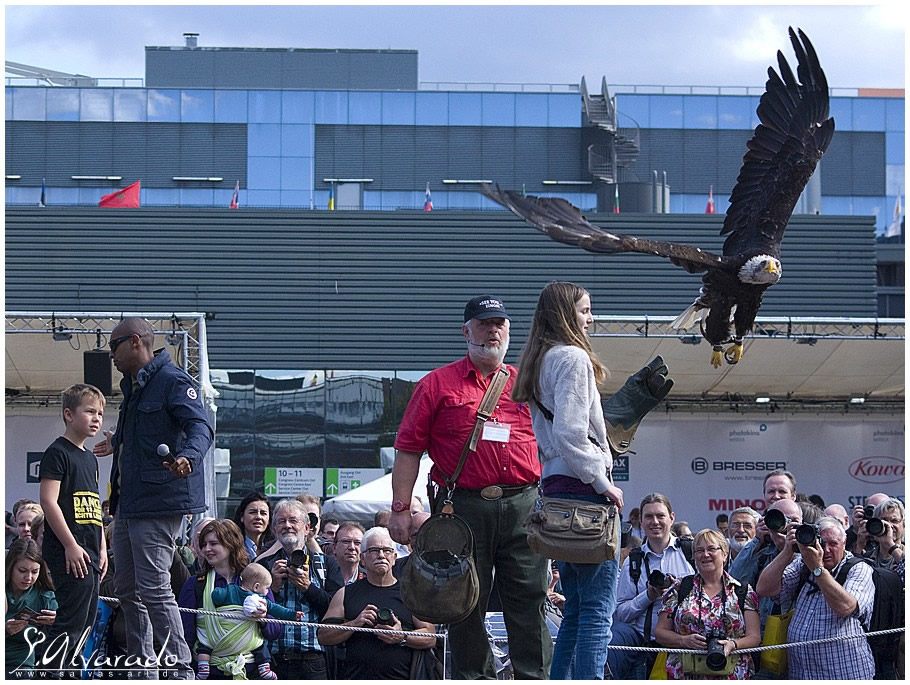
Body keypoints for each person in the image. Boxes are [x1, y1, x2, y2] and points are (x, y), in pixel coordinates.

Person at [389, 294, 551, 679]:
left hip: (523, 505)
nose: (492, 331)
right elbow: (408, 449)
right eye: (483, 323)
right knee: (461, 602)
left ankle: (535, 679)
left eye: (499, 324)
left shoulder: (528, 384)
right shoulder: (435, 384)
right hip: (459, 507)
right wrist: (400, 509)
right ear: (466, 331)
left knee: (530, 599)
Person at [92, 316, 214, 679]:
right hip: (129, 502)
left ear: (134, 342)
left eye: (113, 346)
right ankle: (143, 665)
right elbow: (148, 434)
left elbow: (200, 426)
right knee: (126, 587)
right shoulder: (136, 385)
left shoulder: (172, 380)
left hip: (159, 500)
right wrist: (119, 439)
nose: (109, 355)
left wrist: (188, 458)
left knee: (154, 585)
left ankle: (178, 666)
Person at [37, 383, 108, 673]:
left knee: (85, 623)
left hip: (91, 550)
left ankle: (67, 673)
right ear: (69, 414)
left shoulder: (90, 458)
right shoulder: (58, 452)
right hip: (69, 550)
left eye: (101, 414)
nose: (97, 419)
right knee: (70, 621)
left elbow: (95, 507)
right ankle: (48, 673)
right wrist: (69, 544)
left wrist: (102, 547)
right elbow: (48, 501)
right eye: (89, 411)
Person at [756, 516, 875, 679]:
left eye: (833, 544)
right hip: (801, 674)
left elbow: (846, 607)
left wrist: (817, 569)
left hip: (844, 674)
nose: (825, 550)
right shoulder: (803, 563)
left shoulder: (859, 569)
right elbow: (764, 589)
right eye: (821, 543)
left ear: (844, 542)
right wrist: (788, 551)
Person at [318, 526, 437, 679]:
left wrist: (401, 637)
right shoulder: (345, 593)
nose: (381, 555)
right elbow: (323, 635)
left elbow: (431, 637)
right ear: (362, 559)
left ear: (394, 558)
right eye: (374, 550)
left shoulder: (410, 594)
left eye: (387, 550)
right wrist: (355, 624)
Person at [177, 519, 283, 679]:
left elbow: (275, 631)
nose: (207, 549)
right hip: (209, 674)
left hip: (251, 672)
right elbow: (186, 635)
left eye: (213, 543)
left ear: (231, 544)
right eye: (204, 544)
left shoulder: (257, 579)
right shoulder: (195, 585)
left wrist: (263, 619)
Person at [654, 529, 761, 679]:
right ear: (694, 556)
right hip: (685, 675)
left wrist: (732, 645)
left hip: (733, 674)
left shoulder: (743, 591)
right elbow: (660, 632)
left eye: (711, 549)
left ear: (725, 554)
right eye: (699, 550)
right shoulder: (679, 588)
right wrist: (684, 641)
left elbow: (754, 637)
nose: (705, 554)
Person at [611, 493, 694, 680]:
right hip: (645, 646)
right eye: (648, 517)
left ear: (672, 518)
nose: (654, 522)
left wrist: (680, 591)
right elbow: (620, 614)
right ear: (640, 521)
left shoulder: (691, 553)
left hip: (687, 644)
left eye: (660, 516)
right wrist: (648, 595)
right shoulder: (634, 562)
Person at [258, 498, 344, 679]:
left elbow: (337, 612)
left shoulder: (326, 564)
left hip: (313, 661)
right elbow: (251, 610)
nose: (287, 525)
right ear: (274, 530)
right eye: (281, 521)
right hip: (273, 661)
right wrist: (272, 588)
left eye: (293, 520)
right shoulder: (264, 565)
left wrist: (308, 588)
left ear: (306, 528)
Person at [204, 562, 305, 680]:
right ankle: (264, 668)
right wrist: (293, 615)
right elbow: (277, 610)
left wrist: (219, 592)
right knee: (259, 645)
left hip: (225, 640)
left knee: (204, 645)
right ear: (256, 587)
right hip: (237, 639)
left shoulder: (230, 589)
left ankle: (203, 667)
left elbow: (216, 597)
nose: (268, 592)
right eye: (267, 588)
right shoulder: (260, 600)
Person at [729, 497, 803, 627]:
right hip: (763, 629)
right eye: (780, 519)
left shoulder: (808, 550)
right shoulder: (762, 550)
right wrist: (757, 541)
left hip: (797, 631)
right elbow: (735, 579)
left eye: (794, 521)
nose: (786, 525)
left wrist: (788, 550)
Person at [5, 540, 57, 677]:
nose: (28, 578)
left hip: (22, 664)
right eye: (22, 571)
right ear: (10, 567)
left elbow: (68, 626)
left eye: (35, 572)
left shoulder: (44, 596)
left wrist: (57, 620)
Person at [232, 492, 273, 562]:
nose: (258, 517)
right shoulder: (232, 546)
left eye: (263, 513)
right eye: (253, 512)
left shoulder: (274, 547)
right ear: (242, 517)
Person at [866, 497, 904, 571]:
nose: (889, 525)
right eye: (884, 520)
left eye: (894, 520)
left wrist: (890, 545)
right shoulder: (866, 559)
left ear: (904, 524)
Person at [848, 491, 889, 556]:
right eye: (872, 510)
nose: (875, 516)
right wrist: (855, 532)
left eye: (879, 511)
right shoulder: (853, 536)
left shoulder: (897, 537)